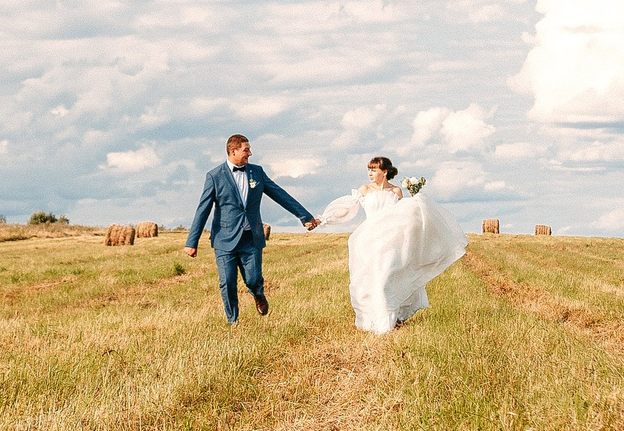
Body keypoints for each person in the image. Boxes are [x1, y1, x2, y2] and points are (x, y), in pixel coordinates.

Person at [316, 156, 467, 333]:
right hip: (370, 239)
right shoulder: (364, 190)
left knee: (388, 277)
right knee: (373, 279)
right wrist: (325, 219)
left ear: (385, 171)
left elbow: (404, 215)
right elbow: (346, 209)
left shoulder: (396, 192)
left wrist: (417, 201)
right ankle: (374, 320)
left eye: (374, 170)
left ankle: (390, 319)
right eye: (369, 170)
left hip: (392, 241)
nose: (370, 173)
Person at [183, 134, 319, 323]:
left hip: (251, 239)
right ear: (233, 151)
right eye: (246, 150)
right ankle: (233, 321)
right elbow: (202, 210)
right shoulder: (214, 176)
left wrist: (305, 217)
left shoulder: (257, 172)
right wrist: (192, 242)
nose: (250, 153)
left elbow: (280, 195)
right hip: (224, 240)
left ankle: (258, 294)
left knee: (254, 280)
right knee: (227, 283)